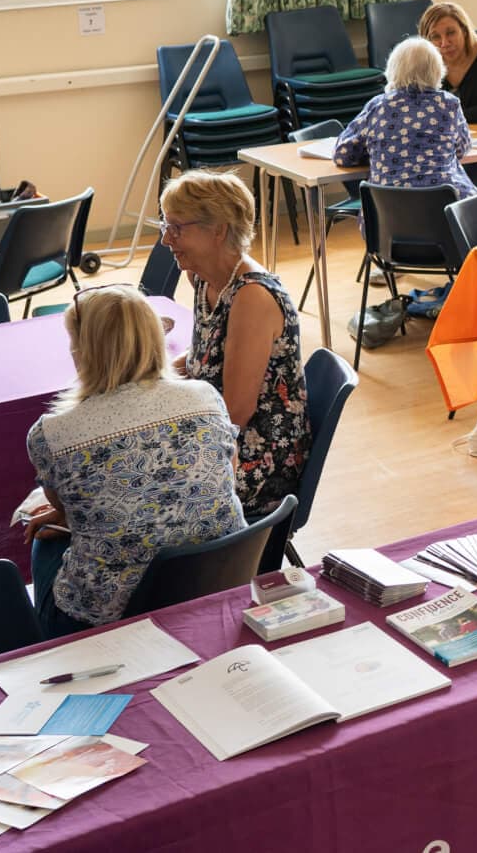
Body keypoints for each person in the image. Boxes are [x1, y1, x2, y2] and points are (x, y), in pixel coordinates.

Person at [21, 285, 246, 637]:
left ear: (84, 351)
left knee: (43, 538)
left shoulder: (51, 434)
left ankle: (48, 641)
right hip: (219, 585)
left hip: (110, 618)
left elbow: (64, 506)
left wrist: (70, 516)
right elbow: (226, 477)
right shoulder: (205, 397)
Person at [160, 170, 309, 518]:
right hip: (222, 434)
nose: (167, 239)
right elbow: (203, 357)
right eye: (165, 226)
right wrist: (149, 380)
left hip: (258, 458)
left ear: (218, 230)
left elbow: (236, 412)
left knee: (136, 480)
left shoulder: (252, 297)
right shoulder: (202, 277)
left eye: (177, 228)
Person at [333, 37, 477, 198]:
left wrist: (378, 152)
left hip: (387, 216)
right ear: (437, 70)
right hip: (445, 212)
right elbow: (462, 147)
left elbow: (342, 155)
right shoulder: (449, 104)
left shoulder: (378, 106)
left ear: (393, 69)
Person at [419, 0, 477, 124]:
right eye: (436, 37)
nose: (445, 43)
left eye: (451, 33)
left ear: (465, 31)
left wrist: (443, 117)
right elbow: (420, 112)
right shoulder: (425, 61)